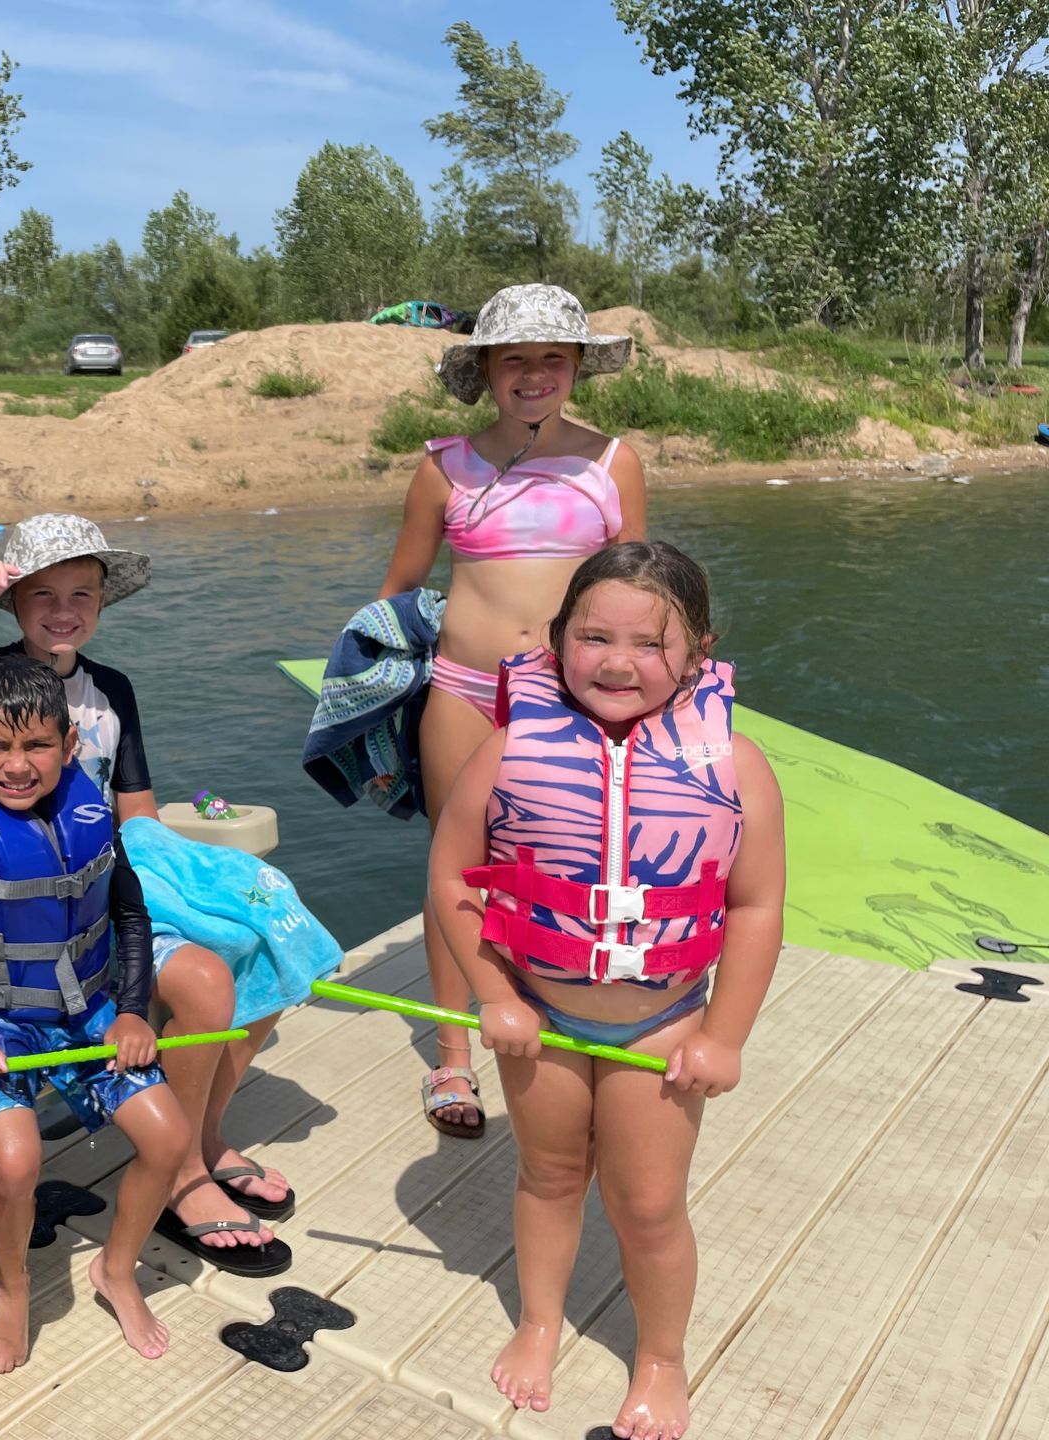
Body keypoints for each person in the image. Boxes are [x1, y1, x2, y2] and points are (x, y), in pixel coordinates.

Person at [0, 514, 293, 1277]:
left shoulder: (112, 689)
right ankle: (181, 1172)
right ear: (11, 602)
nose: (62, 609)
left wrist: (193, 894)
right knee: (209, 982)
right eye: (40, 593)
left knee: (264, 946)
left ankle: (201, 1137)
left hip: (110, 895)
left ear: (104, 601)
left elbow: (135, 812)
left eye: (82, 592)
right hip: (36, 933)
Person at [428, 541, 785, 1440]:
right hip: (538, 1018)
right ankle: (540, 1321)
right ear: (555, 642)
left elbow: (755, 907)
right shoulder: (509, 749)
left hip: (662, 1026)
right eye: (593, 637)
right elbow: (453, 881)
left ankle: (662, 1358)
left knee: (650, 1205)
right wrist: (493, 994)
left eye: (649, 643)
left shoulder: (736, 766)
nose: (618, 662)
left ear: (699, 652)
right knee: (547, 1177)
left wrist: (724, 1036)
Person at [377, 284, 648, 1141]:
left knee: (570, 860)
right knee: (453, 870)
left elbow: (639, 595)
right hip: (459, 689)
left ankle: (567, 1014)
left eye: (552, 359)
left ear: (576, 369)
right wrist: (368, 693)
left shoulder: (614, 464)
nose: (535, 375)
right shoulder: (442, 466)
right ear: (487, 371)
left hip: (569, 700)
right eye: (515, 359)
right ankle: (454, 1060)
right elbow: (398, 591)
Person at [0, 655, 188, 1370]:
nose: (17, 765)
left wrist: (135, 1011)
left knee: (168, 1139)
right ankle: (12, 1284)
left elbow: (130, 916)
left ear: (69, 746)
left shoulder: (89, 805)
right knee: (17, 1160)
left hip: (90, 1011)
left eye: (36, 747)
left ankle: (116, 1271)